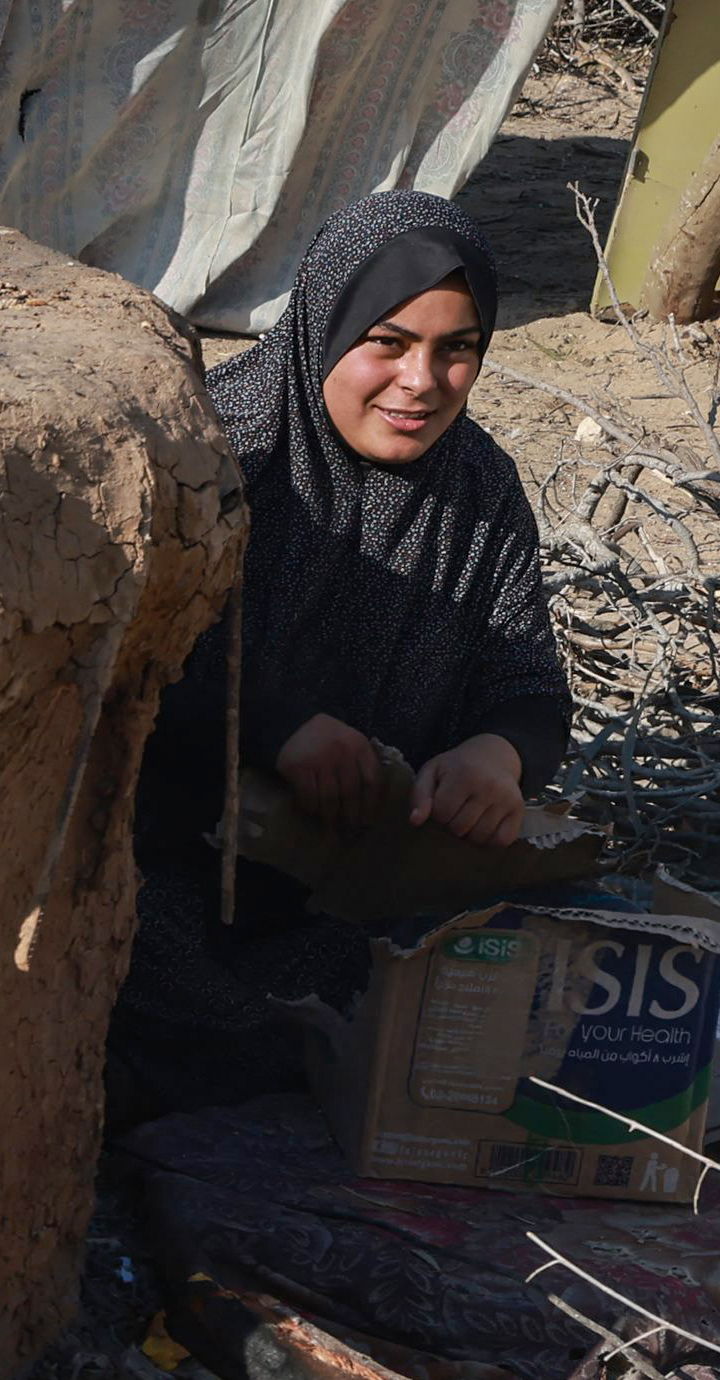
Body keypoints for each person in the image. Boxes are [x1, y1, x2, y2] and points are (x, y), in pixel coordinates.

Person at [115, 190, 573, 1119]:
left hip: (359, 884)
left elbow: (522, 674)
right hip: (171, 870)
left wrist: (499, 754)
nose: (421, 382)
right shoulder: (219, 451)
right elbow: (125, 662)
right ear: (325, 325)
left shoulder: (478, 487)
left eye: (457, 350)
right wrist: (273, 730)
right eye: (388, 342)